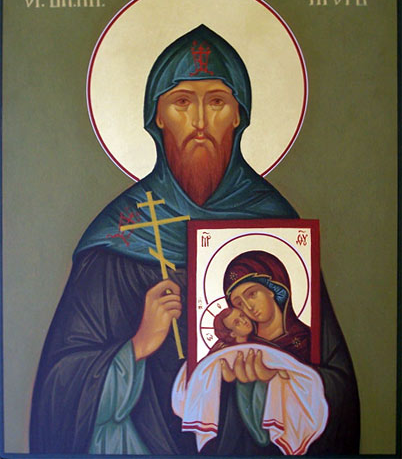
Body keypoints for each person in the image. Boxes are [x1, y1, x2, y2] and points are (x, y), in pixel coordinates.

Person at [30, 25, 360, 455]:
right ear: (158, 116)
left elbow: (336, 389)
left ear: (239, 115)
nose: (200, 122)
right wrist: (138, 346)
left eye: (217, 102)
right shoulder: (120, 234)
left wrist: (270, 381)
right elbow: (59, 390)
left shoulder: (275, 227)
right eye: (182, 102)